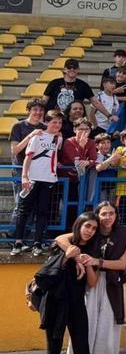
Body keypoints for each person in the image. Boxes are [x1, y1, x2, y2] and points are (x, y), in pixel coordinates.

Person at [60, 201, 126, 354]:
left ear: (116, 215)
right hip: (88, 286)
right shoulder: (90, 231)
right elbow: (61, 239)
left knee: (107, 339)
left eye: (111, 213)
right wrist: (75, 254)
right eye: (104, 214)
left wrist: (96, 261)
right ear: (97, 215)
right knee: (81, 337)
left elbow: (122, 263)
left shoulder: (123, 235)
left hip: (112, 287)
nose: (107, 217)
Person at [38, 212, 109, 354]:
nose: (90, 231)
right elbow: (49, 271)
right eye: (87, 226)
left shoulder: (93, 250)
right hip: (55, 303)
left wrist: (87, 263)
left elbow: (92, 282)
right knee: (53, 351)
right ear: (78, 225)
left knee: (82, 351)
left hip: (76, 305)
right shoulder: (63, 244)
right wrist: (71, 256)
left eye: (94, 228)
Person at [11, 110, 63, 256]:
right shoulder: (37, 136)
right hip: (32, 178)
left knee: (42, 212)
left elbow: (55, 153)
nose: (57, 125)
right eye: (54, 122)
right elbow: (28, 158)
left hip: (49, 179)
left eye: (59, 122)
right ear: (46, 122)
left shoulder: (58, 138)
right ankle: (18, 242)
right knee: (23, 210)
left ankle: (37, 243)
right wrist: (24, 177)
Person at [9, 98, 46, 232]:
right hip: (20, 168)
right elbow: (15, 150)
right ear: (28, 110)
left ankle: (25, 234)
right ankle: (12, 234)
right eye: (35, 109)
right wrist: (31, 136)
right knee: (21, 201)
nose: (38, 112)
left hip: (38, 169)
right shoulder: (18, 126)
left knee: (34, 204)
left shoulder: (45, 127)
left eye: (40, 110)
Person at [59, 118, 96, 229]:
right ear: (75, 129)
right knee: (67, 205)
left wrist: (89, 162)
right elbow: (77, 161)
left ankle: (76, 228)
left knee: (77, 205)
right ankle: (65, 230)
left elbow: (94, 160)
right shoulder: (68, 142)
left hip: (81, 179)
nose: (84, 132)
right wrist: (81, 147)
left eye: (87, 129)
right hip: (66, 179)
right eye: (81, 129)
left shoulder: (91, 142)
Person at [44, 59, 110, 118]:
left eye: (74, 68)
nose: (72, 69)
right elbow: (44, 101)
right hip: (55, 119)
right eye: (69, 67)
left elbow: (95, 102)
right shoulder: (54, 83)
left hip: (74, 120)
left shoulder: (83, 85)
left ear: (78, 70)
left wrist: (109, 115)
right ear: (64, 69)